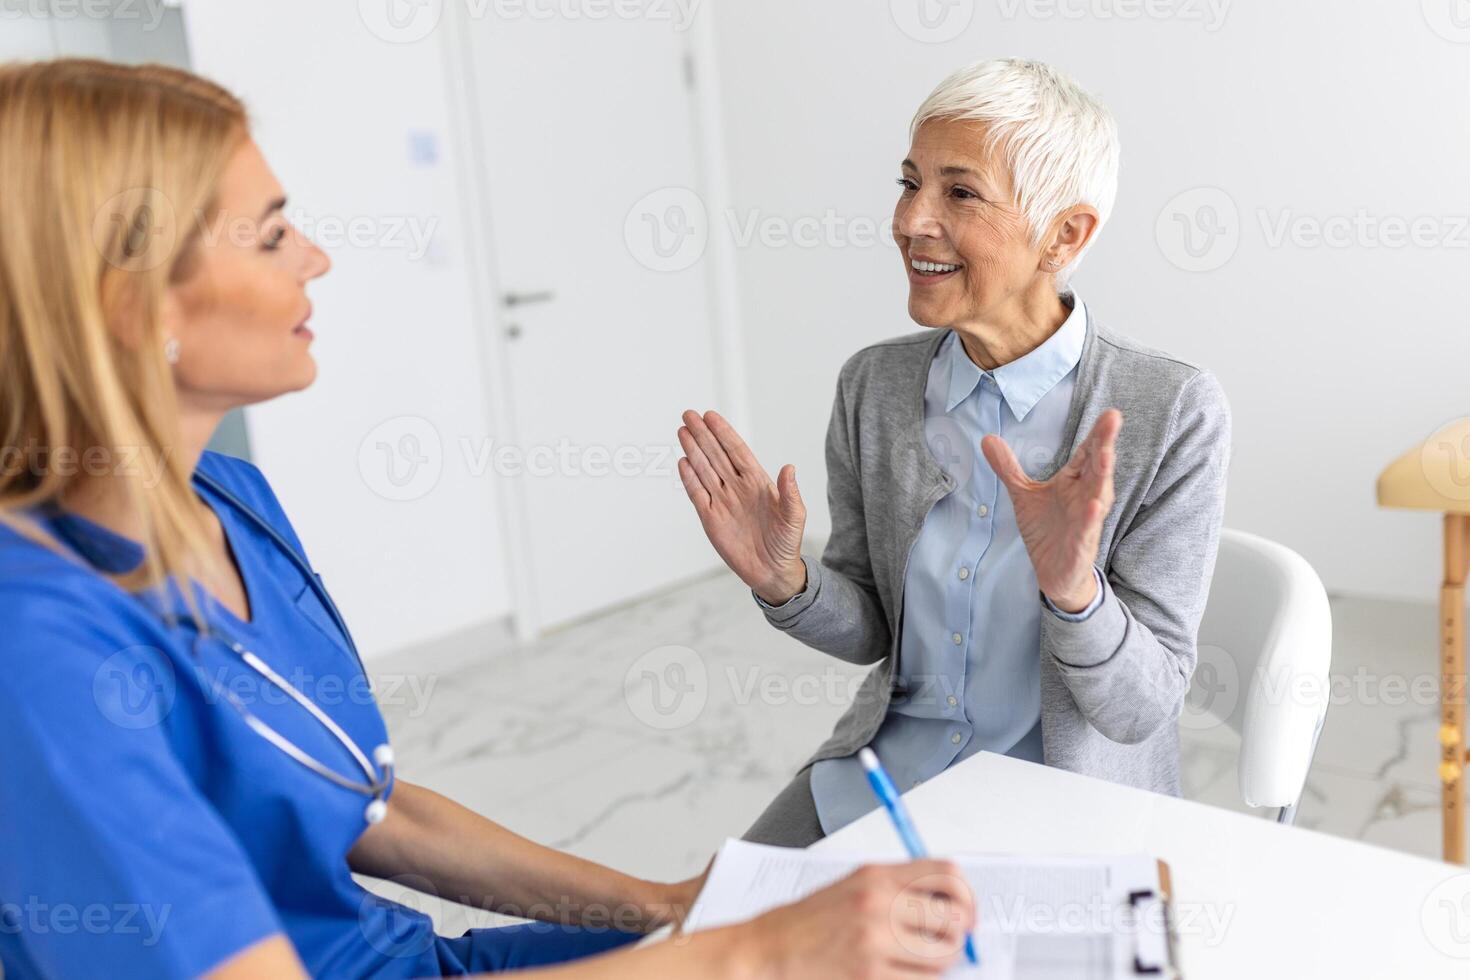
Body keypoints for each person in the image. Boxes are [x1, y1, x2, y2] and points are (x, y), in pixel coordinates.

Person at [0, 59, 976, 978]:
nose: (318, 258)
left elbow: (372, 810)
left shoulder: (226, 498)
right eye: (269, 234)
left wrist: (663, 906)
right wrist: (750, 952)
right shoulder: (38, 648)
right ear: (125, 305)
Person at [678, 58, 1232, 846]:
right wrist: (787, 581)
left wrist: (1075, 591)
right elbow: (871, 628)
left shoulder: (1171, 409)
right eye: (910, 184)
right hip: (884, 777)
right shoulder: (874, 385)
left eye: (959, 193)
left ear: (1064, 234)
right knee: (714, 936)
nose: (910, 221)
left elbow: (1139, 709)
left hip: (1062, 813)